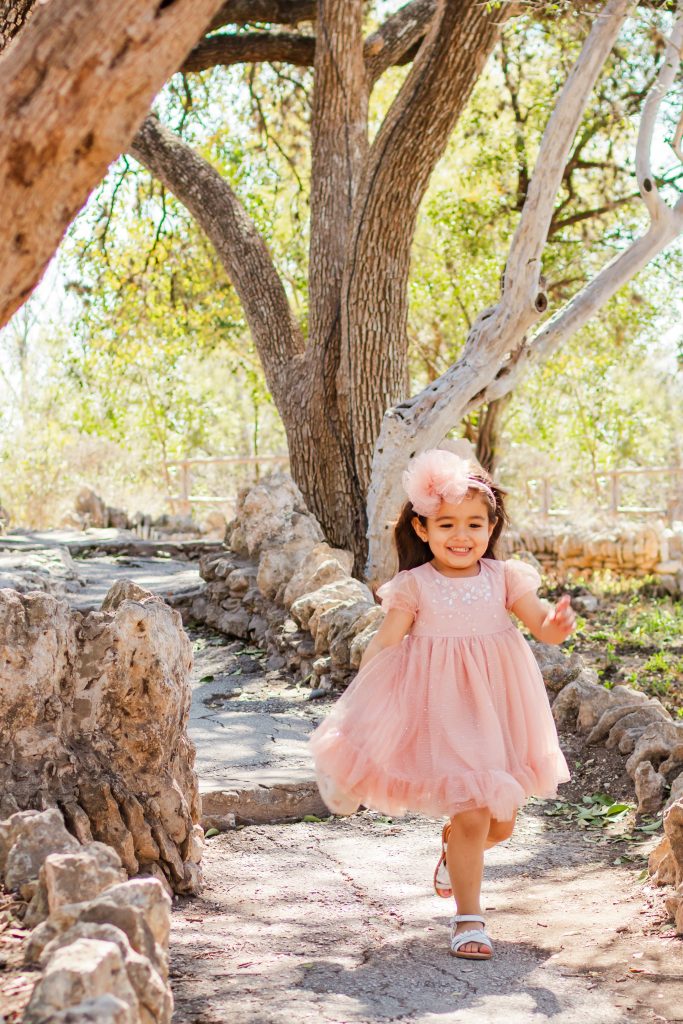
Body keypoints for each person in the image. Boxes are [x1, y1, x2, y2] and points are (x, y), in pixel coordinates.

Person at [309, 448, 575, 960]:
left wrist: (556, 626)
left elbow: (542, 626)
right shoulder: (415, 586)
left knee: (500, 823)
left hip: (499, 711)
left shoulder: (504, 578)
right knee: (475, 814)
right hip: (444, 713)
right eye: (447, 523)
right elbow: (386, 643)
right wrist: (364, 700)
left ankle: (455, 851)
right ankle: (469, 920)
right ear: (422, 527)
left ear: (491, 527)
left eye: (474, 524)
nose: (461, 535)